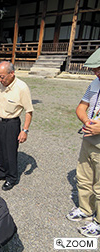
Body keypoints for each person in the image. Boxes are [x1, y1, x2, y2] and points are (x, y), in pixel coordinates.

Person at [0, 61, 33, 191]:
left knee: (10, 152)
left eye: (2, 77)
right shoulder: (0, 85)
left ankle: (11, 178)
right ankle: (1, 172)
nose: (0, 80)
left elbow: (29, 111)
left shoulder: (22, 87)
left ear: (11, 73)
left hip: (11, 124)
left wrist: (25, 131)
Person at [66, 48, 100, 237]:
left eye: (99, 68)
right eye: (95, 69)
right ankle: (86, 210)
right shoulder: (94, 83)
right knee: (84, 176)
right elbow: (81, 107)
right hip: (88, 138)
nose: (96, 72)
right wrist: (87, 121)